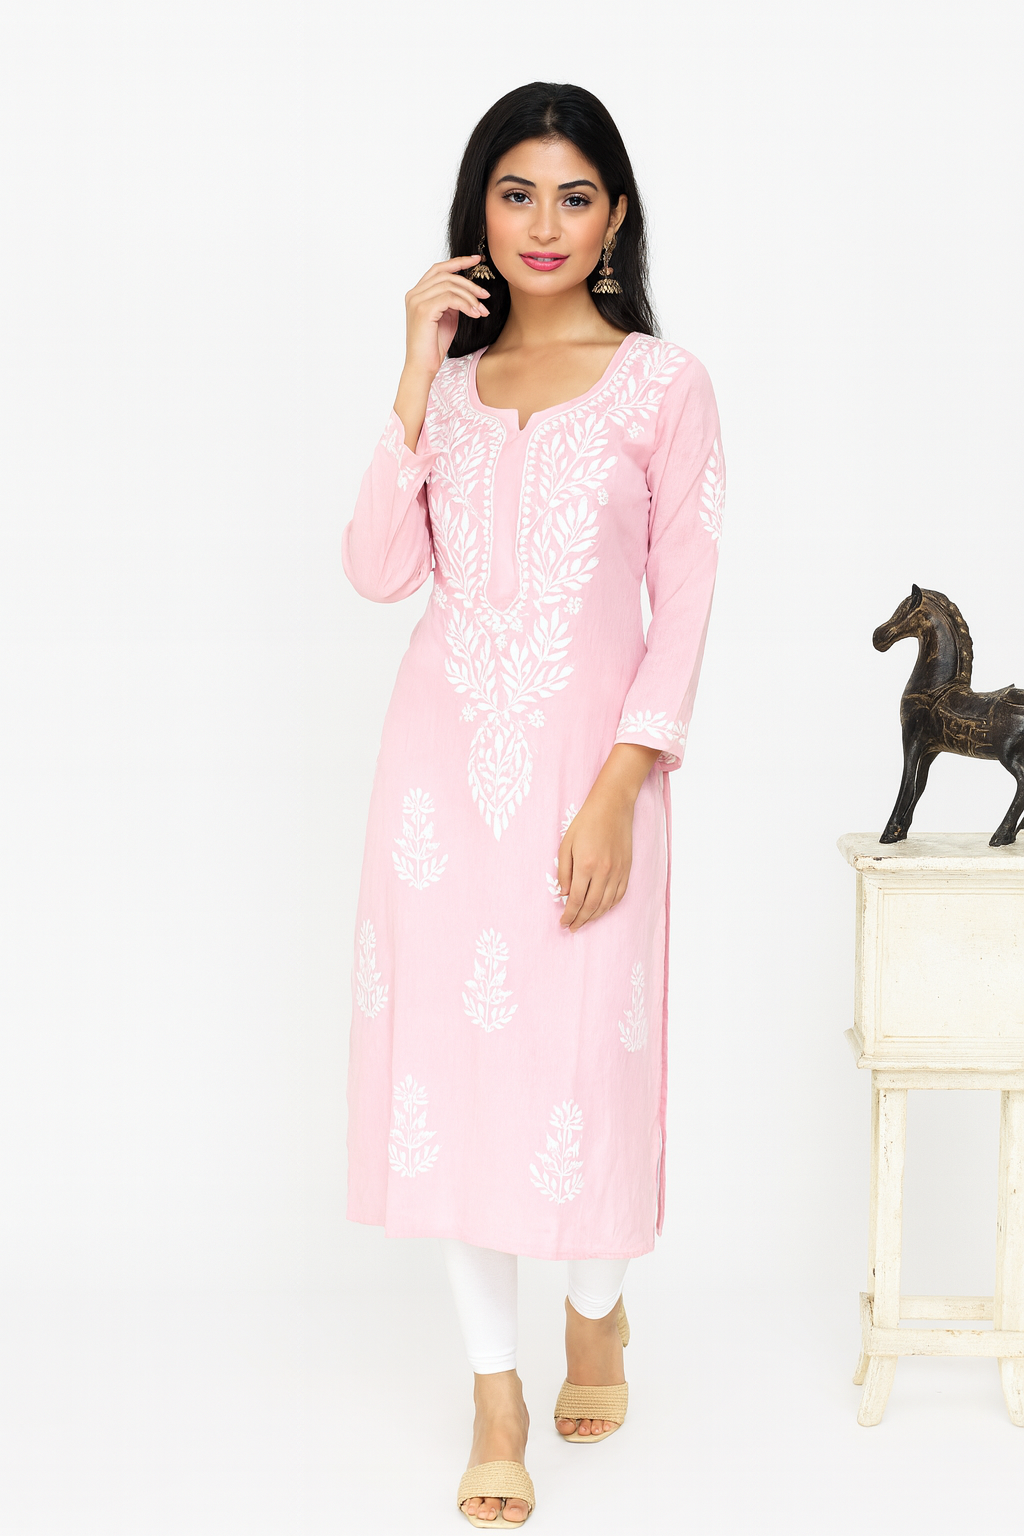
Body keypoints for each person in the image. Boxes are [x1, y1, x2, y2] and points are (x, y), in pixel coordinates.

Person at [341, 80, 725, 1527]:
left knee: (583, 1073)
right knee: (452, 1086)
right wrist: (411, 367)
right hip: (438, 792)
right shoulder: (449, 386)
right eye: (516, 194)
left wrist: (624, 785)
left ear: (616, 215)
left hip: (591, 779)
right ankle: (494, 1394)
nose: (543, 224)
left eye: (573, 196)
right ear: (479, 212)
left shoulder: (663, 386)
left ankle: (598, 1308)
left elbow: (685, 602)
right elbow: (380, 569)